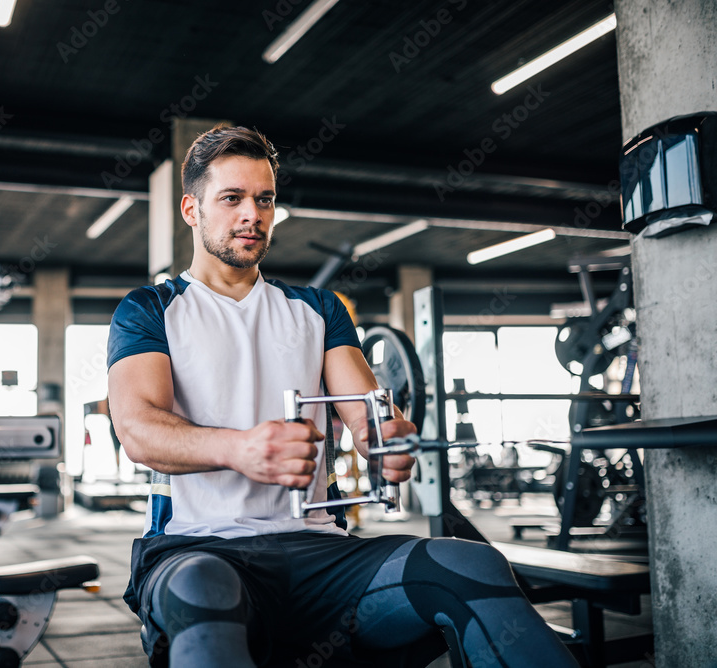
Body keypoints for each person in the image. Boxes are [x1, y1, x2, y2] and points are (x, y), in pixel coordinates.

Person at [106, 124, 578, 667]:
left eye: (265, 200)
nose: (252, 215)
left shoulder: (318, 309)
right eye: (232, 198)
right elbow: (138, 430)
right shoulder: (150, 308)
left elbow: (368, 417)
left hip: (320, 550)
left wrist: (386, 441)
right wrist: (239, 449)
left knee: (474, 566)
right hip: (198, 546)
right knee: (203, 591)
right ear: (192, 209)